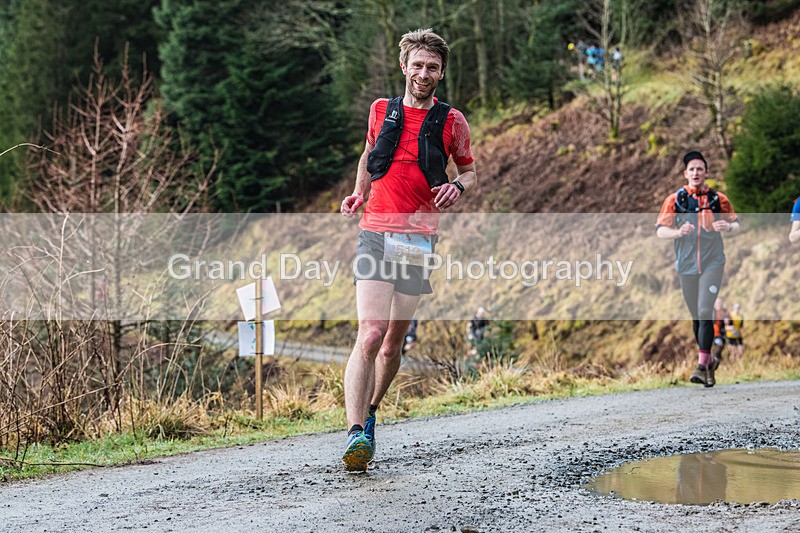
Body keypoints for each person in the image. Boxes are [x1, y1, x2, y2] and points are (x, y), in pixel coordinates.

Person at [339, 28, 477, 471]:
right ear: (403, 66)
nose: (423, 73)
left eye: (432, 67)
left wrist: (457, 185)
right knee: (371, 332)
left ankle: (373, 410)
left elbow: (470, 172)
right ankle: (354, 432)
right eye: (416, 65)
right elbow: (368, 155)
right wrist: (359, 192)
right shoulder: (382, 110)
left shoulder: (452, 121)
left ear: (441, 73)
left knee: (394, 343)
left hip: (418, 237)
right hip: (375, 230)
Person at [656, 151, 739, 388]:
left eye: (700, 169)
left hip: (713, 263)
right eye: (691, 169)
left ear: (706, 173)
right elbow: (661, 230)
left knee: (705, 309)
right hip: (687, 266)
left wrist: (728, 226)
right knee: (696, 315)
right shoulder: (676, 200)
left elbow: (736, 223)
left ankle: (701, 366)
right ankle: (709, 360)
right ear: (685, 174)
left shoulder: (717, 199)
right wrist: (677, 232)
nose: (695, 173)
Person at [711, 297, 728, 366]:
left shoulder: (724, 312)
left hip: (720, 334)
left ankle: (716, 360)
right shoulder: (711, 311)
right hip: (711, 334)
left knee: (720, 346)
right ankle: (714, 359)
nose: (719, 304)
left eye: (720, 303)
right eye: (718, 302)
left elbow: (728, 322)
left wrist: (727, 322)